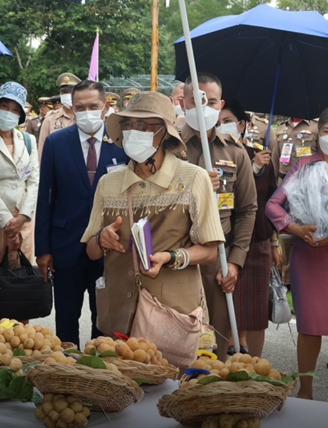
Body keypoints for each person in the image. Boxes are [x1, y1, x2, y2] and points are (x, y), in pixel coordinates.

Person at [81, 91, 224, 338]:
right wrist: (102, 238)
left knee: (171, 376)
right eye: (129, 124)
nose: (134, 131)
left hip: (173, 316)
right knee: (120, 375)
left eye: (144, 125)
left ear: (164, 133)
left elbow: (211, 251)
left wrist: (171, 257)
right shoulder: (107, 183)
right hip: (119, 315)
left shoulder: (193, 178)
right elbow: (91, 252)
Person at [266, 104, 328, 421]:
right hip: (309, 256)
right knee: (310, 328)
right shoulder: (303, 166)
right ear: (318, 133)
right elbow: (273, 206)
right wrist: (292, 227)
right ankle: (305, 391)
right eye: (327, 132)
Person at [36, 80, 129, 346]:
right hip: (66, 246)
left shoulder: (122, 144)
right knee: (66, 320)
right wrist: (43, 249)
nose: (87, 112)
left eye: (93, 106)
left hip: (109, 247)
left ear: (106, 107)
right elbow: (46, 198)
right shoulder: (56, 143)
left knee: (104, 322)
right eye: (80, 107)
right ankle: (66, 376)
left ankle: (99, 378)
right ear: (72, 108)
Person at [181, 73, 258, 358]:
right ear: (183, 102)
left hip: (218, 258)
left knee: (217, 343)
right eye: (196, 101)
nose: (203, 108)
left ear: (220, 103)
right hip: (175, 255)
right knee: (176, 338)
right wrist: (194, 185)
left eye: (210, 102)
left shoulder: (236, 153)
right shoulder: (167, 147)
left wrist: (236, 262)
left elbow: (248, 209)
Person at [217, 99, 279, 357]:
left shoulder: (260, 155)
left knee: (254, 311)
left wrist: (275, 243)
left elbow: (269, 199)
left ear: (242, 125)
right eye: (218, 122)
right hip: (222, 242)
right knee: (222, 307)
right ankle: (223, 354)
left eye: (228, 122)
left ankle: (255, 363)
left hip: (255, 241)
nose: (222, 127)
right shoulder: (214, 155)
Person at [0, 82, 40, 268]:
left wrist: (22, 217)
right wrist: (8, 222)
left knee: (24, 270)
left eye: (15, 109)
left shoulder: (28, 140)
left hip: (24, 219)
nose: (9, 112)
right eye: (5, 106)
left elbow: (33, 180)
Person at [271, 115, 319, 287]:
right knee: (285, 230)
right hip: (284, 184)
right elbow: (276, 160)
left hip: (307, 185)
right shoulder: (282, 128)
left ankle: (304, 274)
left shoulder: (315, 127)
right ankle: (287, 278)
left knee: (304, 229)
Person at [37, 73, 80, 157]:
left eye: (70, 92)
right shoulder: (50, 120)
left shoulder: (84, 116)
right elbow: (42, 151)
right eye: (64, 92)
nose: (67, 95)